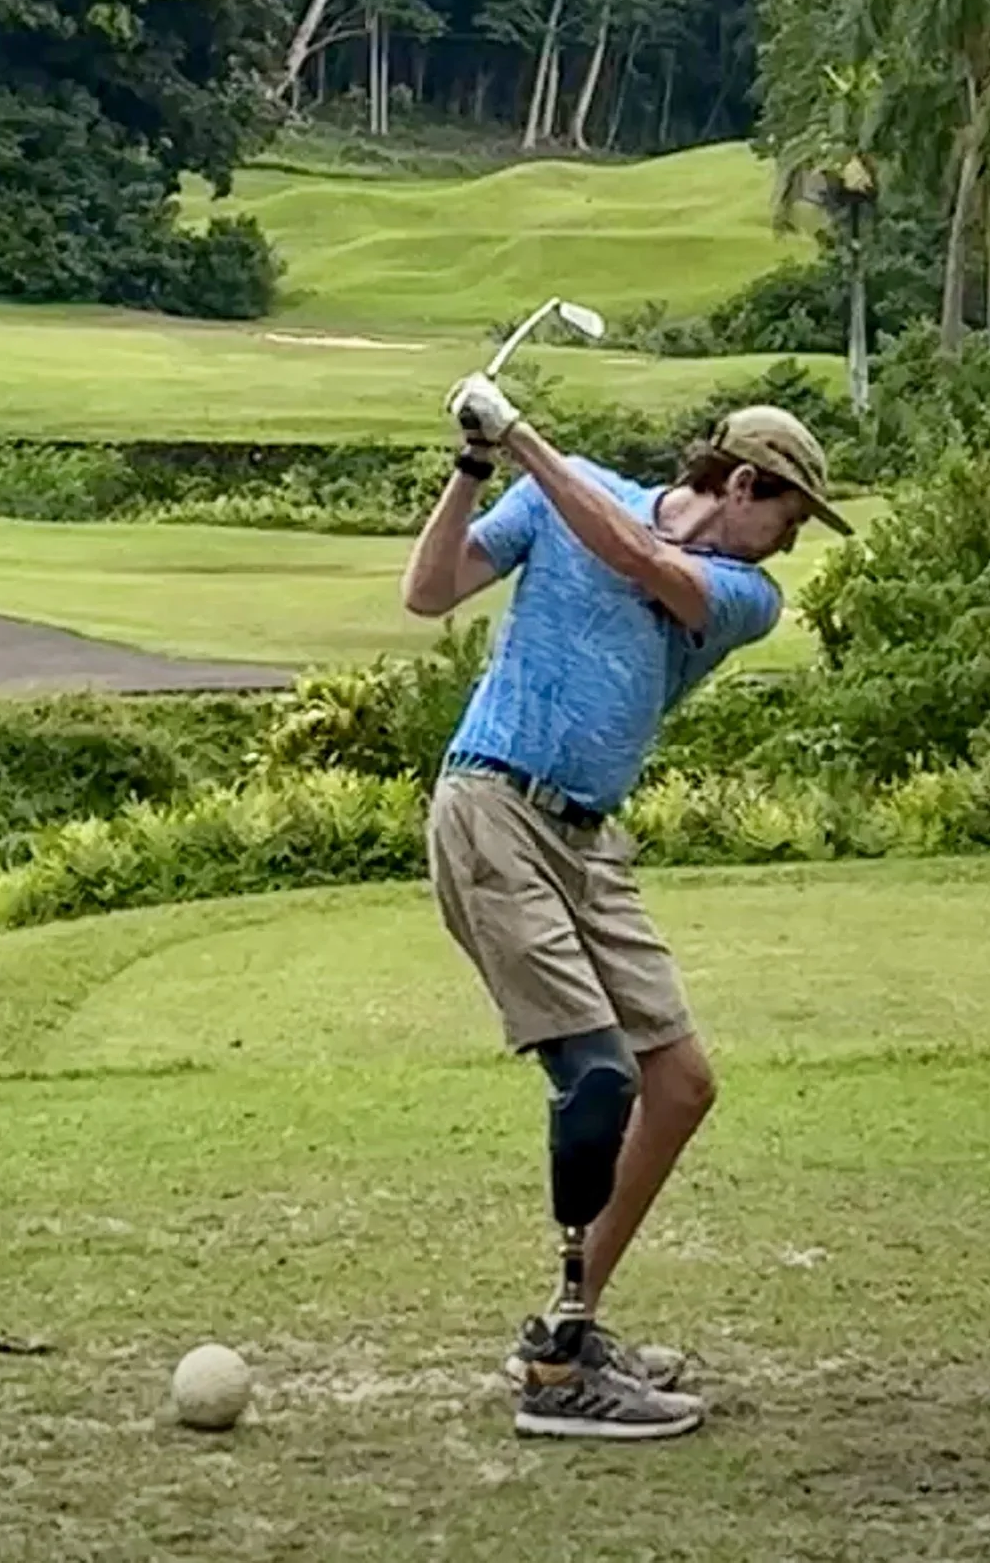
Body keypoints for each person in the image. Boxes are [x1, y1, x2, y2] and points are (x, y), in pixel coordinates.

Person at [400, 377, 852, 1441]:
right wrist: (473, 465)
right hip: (492, 805)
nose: (786, 548)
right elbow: (429, 592)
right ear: (742, 483)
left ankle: (567, 1320)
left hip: (591, 841)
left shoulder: (740, 594)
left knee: (680, 1085)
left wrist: (520, 438)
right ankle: (558, 1370)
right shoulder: (578, 495)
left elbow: (641, 561)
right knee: (597, 1074)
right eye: (785, 521)